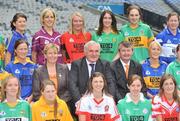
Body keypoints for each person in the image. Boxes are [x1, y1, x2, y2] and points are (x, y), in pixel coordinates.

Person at [68, 41, 115, 115]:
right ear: (85, 52)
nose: (94, 54)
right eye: (91, 51)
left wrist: (108, 100)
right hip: (82, 99)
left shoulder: (105, 64)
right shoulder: (76, 64)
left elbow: (110, 83)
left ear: (100, 53)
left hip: (101, 100)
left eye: (96, 51)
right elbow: (72, 84)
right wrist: (80, 102)